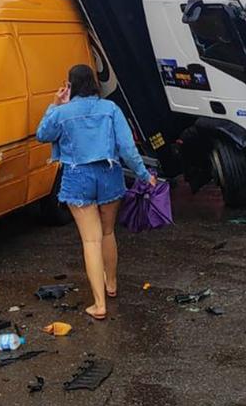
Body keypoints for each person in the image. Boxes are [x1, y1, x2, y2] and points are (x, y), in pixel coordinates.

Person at [35, 64, 156, 321]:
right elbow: (127, 148)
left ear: (70, 85)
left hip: (78, 177)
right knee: (108, 231)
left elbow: (42, 134)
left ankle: (99, 304)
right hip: (109, 174)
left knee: (91, 240)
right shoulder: (110, 109)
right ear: (94, 83)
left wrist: (55, 104)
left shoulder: (63, 113)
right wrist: (145, 176)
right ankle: (111, 284)